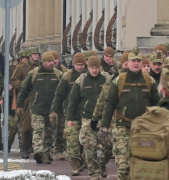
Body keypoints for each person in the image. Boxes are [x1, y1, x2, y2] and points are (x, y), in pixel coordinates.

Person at [98, 46, 159, 180]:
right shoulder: (119, 80)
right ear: (128, 63)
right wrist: (104, 126)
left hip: (143, 129)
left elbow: (157, 105)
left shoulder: (149, 81)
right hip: (122, 127)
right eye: (133, 60)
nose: (136, 63)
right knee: (123, 165)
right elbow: (109, 103)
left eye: (138, 60)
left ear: (142, 63)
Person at [67, 55, 109, 180]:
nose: (94, 70)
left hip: (104, 119)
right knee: (89, 147)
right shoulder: (81, 81)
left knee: (108, 147)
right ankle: (94, 173)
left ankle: (102, 165)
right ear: (88, 67)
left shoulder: (106, 79)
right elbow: (73, 101)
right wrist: (70, 118)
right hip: (87, 118)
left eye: (96, 68)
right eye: (92, 68)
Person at [16, 52, 63, 164]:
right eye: (49, 61)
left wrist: (59, 108)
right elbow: (24, 90)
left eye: (53, 61)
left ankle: (46, 154)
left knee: (49, 133)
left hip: (52, 110)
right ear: (43, 62)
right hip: (37, 108)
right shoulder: (34, 73)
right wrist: (19, 104)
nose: (52, 63)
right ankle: (39, 152)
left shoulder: (58, 74)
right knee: (38, 130)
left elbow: (62, 92)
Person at [51, 52, 87, 175]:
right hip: (71, 114)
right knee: (72, 141)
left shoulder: (90, 76)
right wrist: (54, 110)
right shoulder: (67, 77)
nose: (80, 67)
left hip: (87, 115)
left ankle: (82, 159)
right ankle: (75, 164)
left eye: (82, 64)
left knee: (84, 141)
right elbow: (59, 95)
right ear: (73, 64)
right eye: (77, 64)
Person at [11, 46, 40, 159]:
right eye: (34, 54)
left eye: (37, 54)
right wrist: (25, 83)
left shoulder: (40, 67)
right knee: (26, 127)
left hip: (38, 99)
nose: (36, 56)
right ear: (29, 56)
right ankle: (24, 147)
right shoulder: (21, 68)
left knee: (37, 126)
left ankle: (32, 147)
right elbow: (13, 82)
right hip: (25, 99)